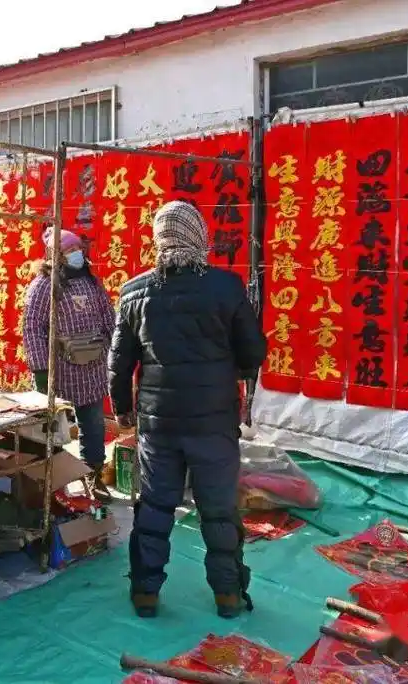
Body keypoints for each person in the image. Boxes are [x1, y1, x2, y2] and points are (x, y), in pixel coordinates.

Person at [108, 200, 267, 620]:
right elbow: (253, 351)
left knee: (155, 506)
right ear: (199, 236)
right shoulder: (226, 287)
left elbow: (119, 363)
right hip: (214, 421)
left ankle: (145, 593)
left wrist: (122, 409)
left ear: (159, 238)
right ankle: (228, 595)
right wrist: (232, 371)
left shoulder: (134, 292)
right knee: (218, 509)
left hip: (158, 422)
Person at [23, 226, 115, 501]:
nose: (76, 254)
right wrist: (40, 370)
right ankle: (53, 480)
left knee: (93, 425)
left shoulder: (90, 281)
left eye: (77, 249)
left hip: (93, 367)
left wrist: (115, 351)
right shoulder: (44, 285)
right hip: (59, 369)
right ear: (56, 255)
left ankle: (92, 476)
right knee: (53, 430)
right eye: (69, 250)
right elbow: (32, 328)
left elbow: (109, 318)